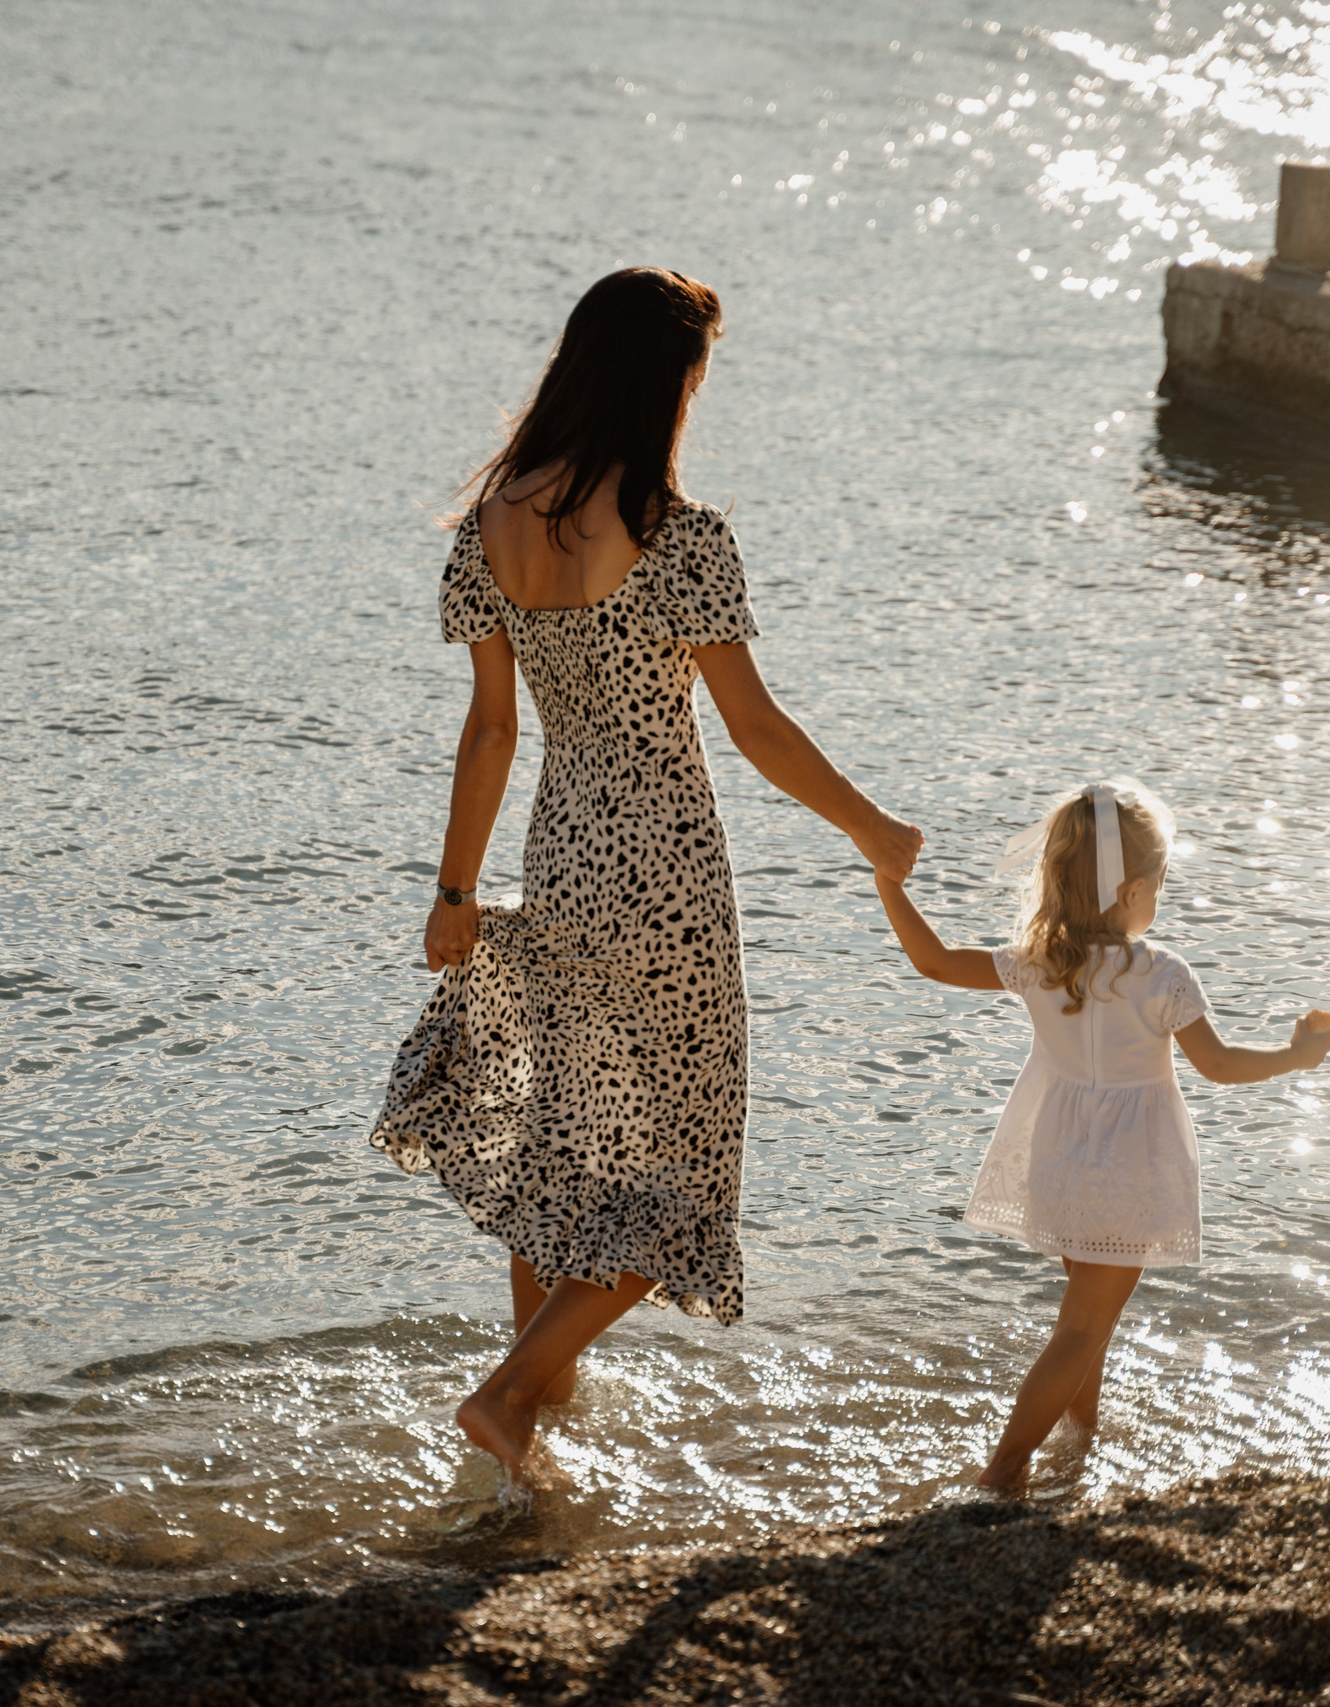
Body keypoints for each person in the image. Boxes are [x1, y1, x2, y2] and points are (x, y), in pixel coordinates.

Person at [370, 267, 924, 1491]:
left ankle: (537, 1420)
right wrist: (872, 830)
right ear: (663, 381)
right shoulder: (682, 538)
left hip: (558, 855)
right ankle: (510, 1398)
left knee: (561, 1154)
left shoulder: (492, 526)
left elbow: (492, 734)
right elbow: (757, 731)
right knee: (677, 1161)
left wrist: (452, 895)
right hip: (666, 873)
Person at [870, 780, 1330, 1490]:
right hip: (1129, 1171)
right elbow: (1217, 1065)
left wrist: (889, 882)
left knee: (1083, 1318)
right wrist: (1293, 1057)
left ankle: (1075, 1445)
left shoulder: (1039, 961)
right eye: (1157, 887)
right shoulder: (1159, 974)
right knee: (1083, 1328)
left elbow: (932, 960)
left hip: (1058, 1161)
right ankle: (1003, 1471)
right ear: (1133, 891)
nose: (1158, 900)